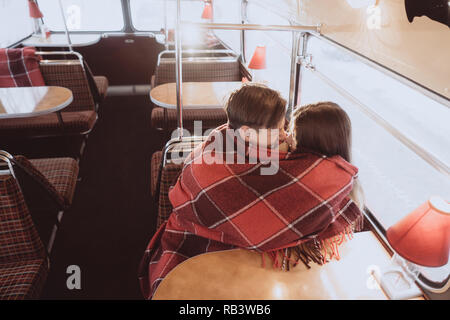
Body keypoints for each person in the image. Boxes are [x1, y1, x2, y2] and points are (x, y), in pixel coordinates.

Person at [138, 84, 363, 299]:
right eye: (278, 129)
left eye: (285, 127)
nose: (285, 135)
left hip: (247, 256)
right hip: (194, 246)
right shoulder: (210, 165)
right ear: (246, 133)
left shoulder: (276, 153)